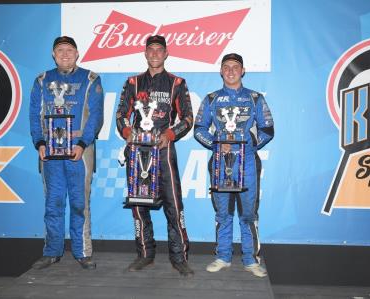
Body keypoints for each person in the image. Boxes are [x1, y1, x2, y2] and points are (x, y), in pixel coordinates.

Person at [116, 35, 194, 277]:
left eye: (159, 50)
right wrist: (128, 132)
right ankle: (144, 255)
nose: (155, 54)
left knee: (174, 204)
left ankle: (179, 257)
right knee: (138, 206)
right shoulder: (132, 82)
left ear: (166, 53)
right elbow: (120, 114)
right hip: (138, 150)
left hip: (164, 150)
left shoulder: (177, 83)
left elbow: (189, 117)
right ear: (145, 53)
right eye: (151, 50)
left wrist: (169, 134)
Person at [194, 53, 274, 277]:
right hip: (220, 163)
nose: (230, 71)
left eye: (235, 67)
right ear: (221, 71)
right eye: (226, 67)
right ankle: (223, 256)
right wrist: (217, 144)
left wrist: (247, 142)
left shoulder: (255, 98)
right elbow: (199, 129)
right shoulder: (211, 99)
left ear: (243, 71)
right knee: (222, 212)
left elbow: (268, 129)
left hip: (247, 161)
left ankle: (251, 259)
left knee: (248, 213)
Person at [29, 36, 104, 270]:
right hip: (50, 153)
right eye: (60, 50)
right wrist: (39, 142)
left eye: (69, 50)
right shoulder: (42, 81)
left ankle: (82, 252)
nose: (65, 54)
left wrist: (82, 143)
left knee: (80, 203)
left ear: (77, 53)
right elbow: (34, 114)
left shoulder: (90, 79)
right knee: (53, 202)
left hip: (79, 152)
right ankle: (52, 251)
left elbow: (96, 116)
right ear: (53, 54)